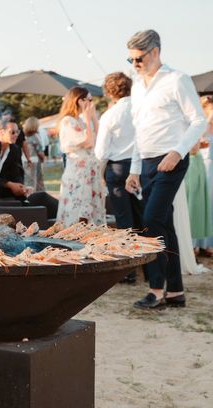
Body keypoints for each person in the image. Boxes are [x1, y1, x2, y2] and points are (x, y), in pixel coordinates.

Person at [124, 29, 207, 310]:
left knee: (149, 222)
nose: (134, 64)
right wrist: (134, 170)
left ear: (155, 52)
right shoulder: (136, 86)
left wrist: (177, 152)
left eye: (138, 58)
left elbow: (198, 121)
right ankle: (176, 293)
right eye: (130, 59)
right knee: (163, 224)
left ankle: (156, 290)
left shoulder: (176, 80)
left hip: (171, 159)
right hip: (146, 162)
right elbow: (139, 131)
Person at [94, 72, 142, 283]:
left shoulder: (110, 115)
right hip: (140, 167)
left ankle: (128, 271)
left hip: (118, 169)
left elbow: (101, 152)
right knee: (142, 216)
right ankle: (149, 268)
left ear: (109, 91)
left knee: (124, 219)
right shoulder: (141, 108)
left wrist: (102, 173)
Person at [0, 119, 59, 219]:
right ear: (2, 132)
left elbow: (17, 174)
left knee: (34, 196)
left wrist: (21, 187)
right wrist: (10, 184)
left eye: (18, 132)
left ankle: (42, 215)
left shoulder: (15, 150)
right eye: (12, 132)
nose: (16, 135)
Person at [56, 86, 106, 226]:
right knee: (78, 209)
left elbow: (99, 138)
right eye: (88, 100)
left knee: (93, 210)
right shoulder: (68, 121)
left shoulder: (83, 121)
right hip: (78, 171)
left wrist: (93, 118)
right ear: (78, 100)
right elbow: (88, 142)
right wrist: (89, 118)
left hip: (90, 171)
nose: (91, 103)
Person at [195, 95, 213, 256]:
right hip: (204, 167)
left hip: (209, 166)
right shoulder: (201, 124)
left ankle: (207, 244)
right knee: (202, 202)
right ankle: (198, 244)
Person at [22, 117, 45, 192]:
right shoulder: (35, 137)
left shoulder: (23, 136)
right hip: (34, 161)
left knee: (27, 182)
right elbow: (40, 151)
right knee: (35, 183)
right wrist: (43, 159)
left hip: (24, 160)